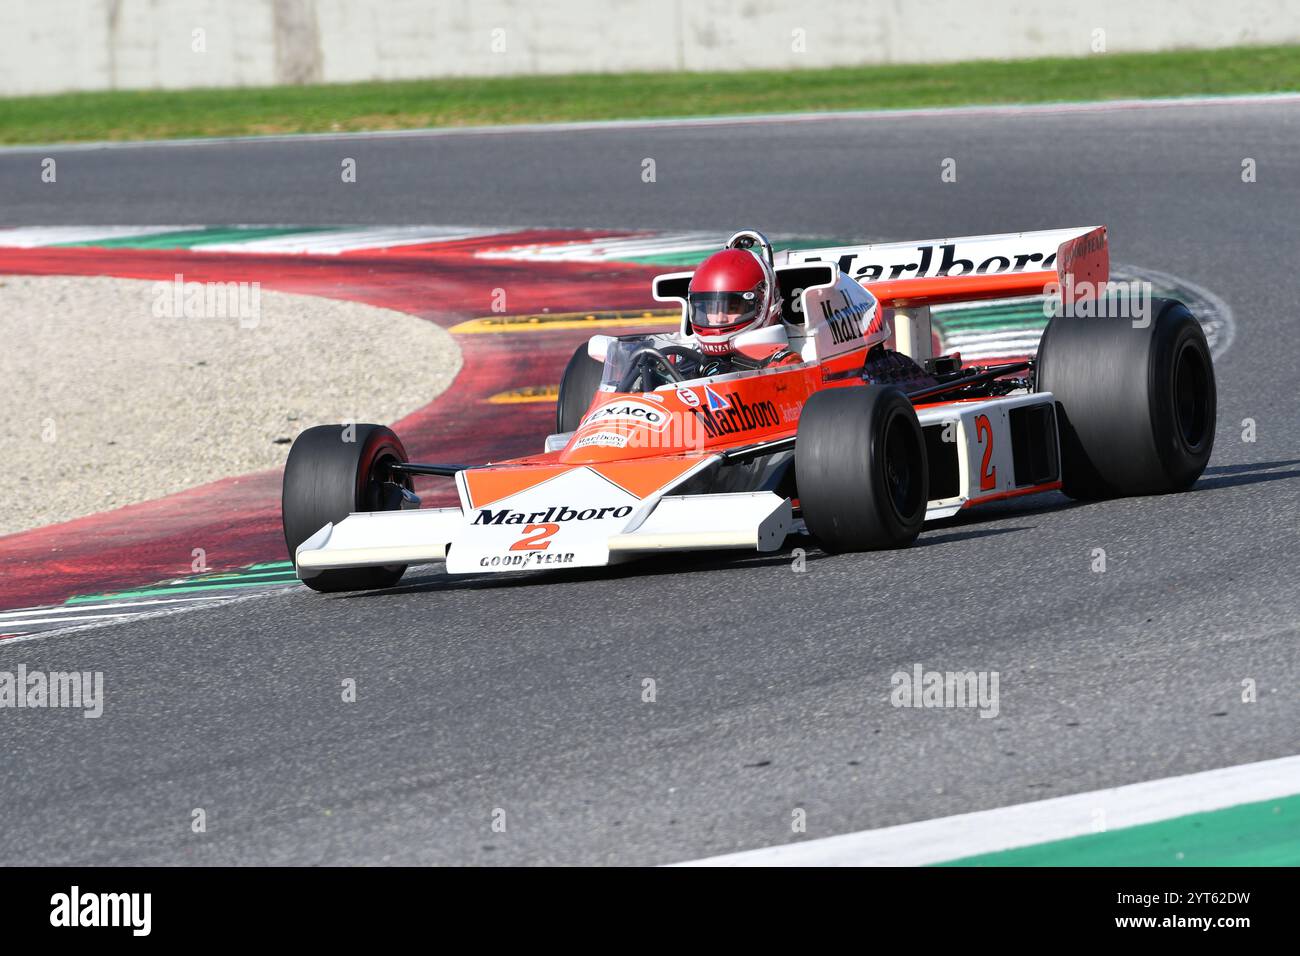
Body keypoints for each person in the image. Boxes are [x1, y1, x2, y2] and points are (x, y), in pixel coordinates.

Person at [685, 247, 802, 374]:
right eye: (712, 308)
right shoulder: (683, 358)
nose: (720, 318)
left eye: (732, 308)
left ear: (763, 305)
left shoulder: (783, 365)